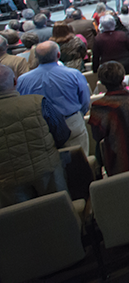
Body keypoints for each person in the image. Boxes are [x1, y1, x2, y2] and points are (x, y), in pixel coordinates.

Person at [0, 64, 70, 207]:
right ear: (15, 81)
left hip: (7, 182)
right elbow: (62, 133)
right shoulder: (38, 102)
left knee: (22, 224)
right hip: (47, 172)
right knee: (58, 216)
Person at [17, 41, 90, 151]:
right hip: (71, 124)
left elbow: (22, 106)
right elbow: (85, 102)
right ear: (58, 55)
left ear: (36, 57)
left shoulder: (22, 80)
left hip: (41, 129)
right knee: (80, 163)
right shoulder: (74, 74)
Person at [92, 14, 129, 82]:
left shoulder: (98, 39)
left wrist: (95, 69)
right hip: (127, 66)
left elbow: (96, 56)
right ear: (114, 24)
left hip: (109, 70)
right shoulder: (123, 35)